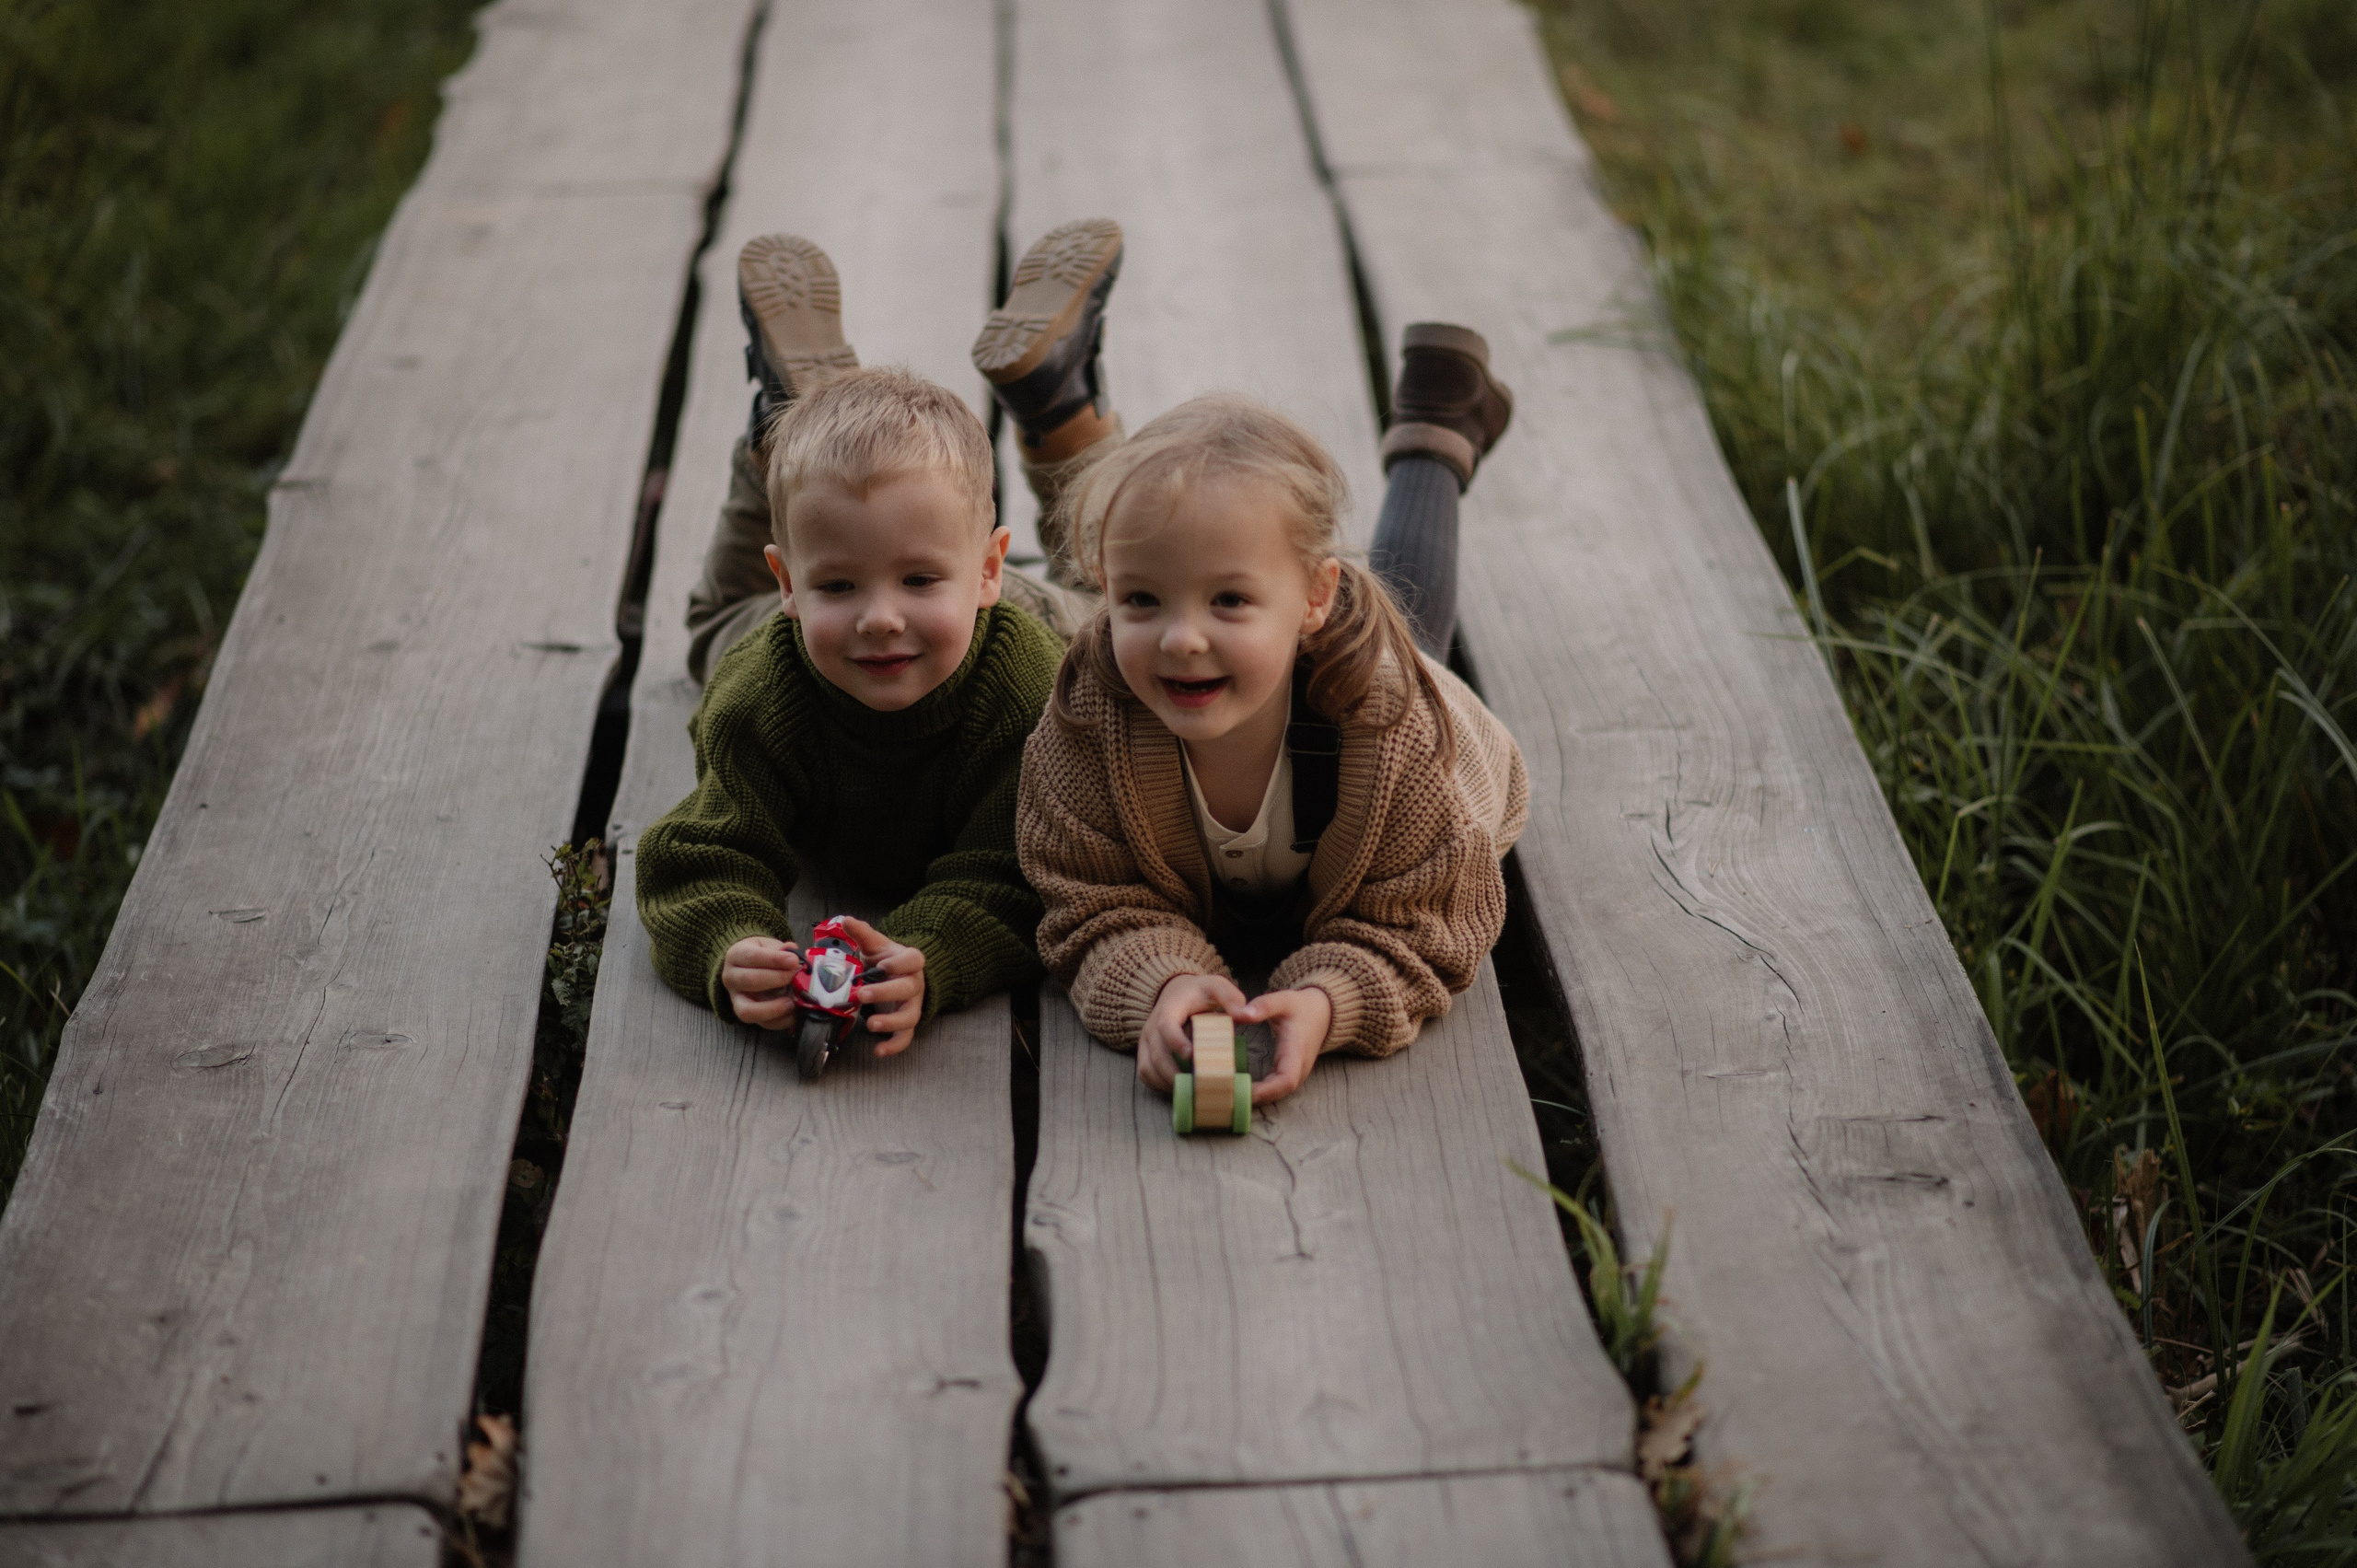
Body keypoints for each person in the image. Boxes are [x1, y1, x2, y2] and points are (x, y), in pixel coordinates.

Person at [635, 218, 1129, 1051]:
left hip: (1033, 624)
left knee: (1123, 607)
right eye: (836, 584)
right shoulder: (763, 695)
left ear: (986, 570)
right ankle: (803, 423)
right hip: (806, 639)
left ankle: (1054, 403)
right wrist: (726, 947)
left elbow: (1018, 871)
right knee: (726, 632)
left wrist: (932, 953)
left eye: (918, 579)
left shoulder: (1032, 693)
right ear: (786, 585)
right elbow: (702, 855)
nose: (880, 616)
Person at [1015, 331, 1524, 1109]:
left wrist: (1328, 1002)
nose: (1183, 638)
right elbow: (1090, 900)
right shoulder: (1089, 722)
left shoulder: (1397, 739)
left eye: (1229, 600)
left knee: (1413, 632)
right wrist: (1165, 980)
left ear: (1316, 596)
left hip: (1412, 737)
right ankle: (1437, 426)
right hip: (1303, 743)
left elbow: (1428, 925)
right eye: (1143, 599)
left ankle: (1434, 434)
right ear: (1106, 588)